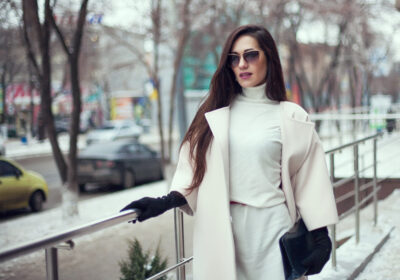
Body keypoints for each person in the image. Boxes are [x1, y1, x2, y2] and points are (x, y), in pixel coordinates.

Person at [121, 24, 339, 280]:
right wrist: (164, 202)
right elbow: (192, 172)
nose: (242, 64)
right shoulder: (213, 116)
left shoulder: (290, 116)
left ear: (269, 56)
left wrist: (321, 237)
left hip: (273, 232)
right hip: (223, 234)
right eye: (234, 58)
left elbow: (309, 179)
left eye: (251, 55)